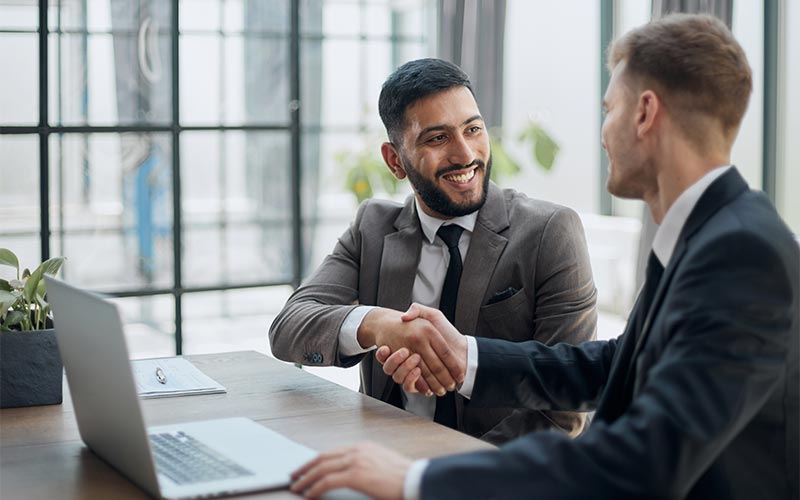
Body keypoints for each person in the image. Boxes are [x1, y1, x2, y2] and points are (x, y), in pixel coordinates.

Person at [289, 14, 799, 500]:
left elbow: (647, 457)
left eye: (609, 110)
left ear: (644, 114)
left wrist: (419, 481)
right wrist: (469, 357)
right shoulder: (710, 236)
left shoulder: (739, 253)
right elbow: (616, 364)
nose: (602, 134)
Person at [269, 58, 597, 444]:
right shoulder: (373, 226)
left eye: (472, 129)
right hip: (383, 456)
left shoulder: (549, 232)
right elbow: (289, 327)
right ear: (395, 161)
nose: (465, 155)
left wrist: (440, 474)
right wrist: (379, 324)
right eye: (437, 138)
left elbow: (564, 408)